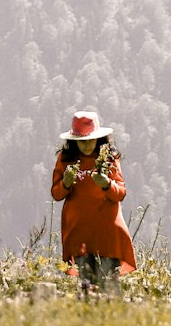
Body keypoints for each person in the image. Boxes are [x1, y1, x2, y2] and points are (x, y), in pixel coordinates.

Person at [51, 109, 137, 289]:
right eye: (82, 142)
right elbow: (57, 194)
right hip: (80, 232)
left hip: (108, 233)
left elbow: (120, 193)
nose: (87, 145)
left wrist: (106, 184)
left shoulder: (108, 158)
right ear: (74, 141)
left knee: (109, 285)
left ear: (99, 138)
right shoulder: (66, 159)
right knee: (87, 285)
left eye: (90, 140)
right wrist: (66, 183)